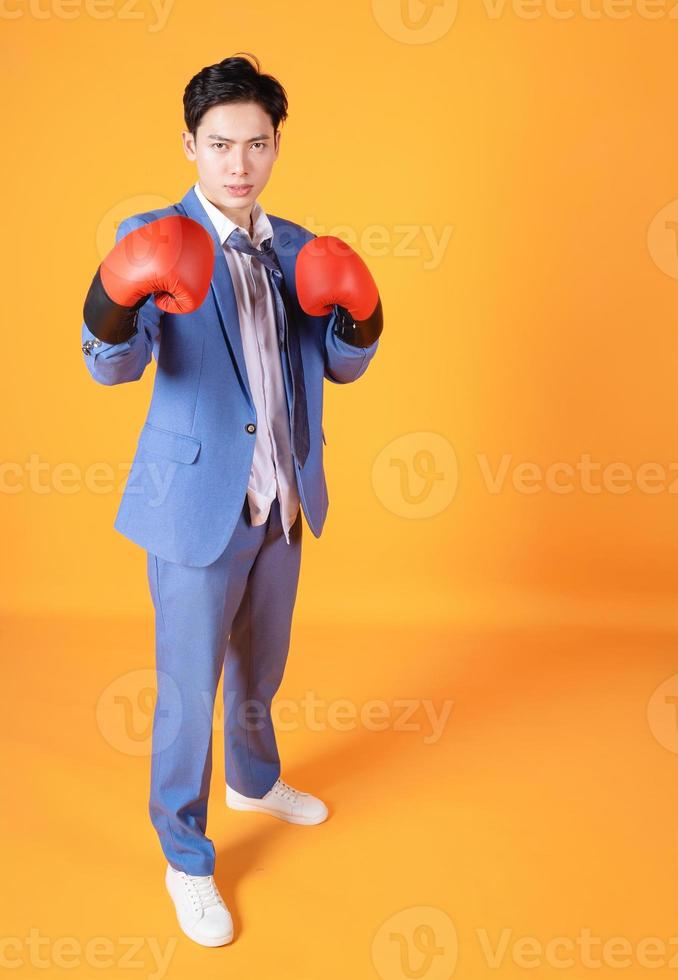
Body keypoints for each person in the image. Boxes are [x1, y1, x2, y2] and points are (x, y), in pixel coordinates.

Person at [80, 53, 383, 948]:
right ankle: (186, 857)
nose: (238, 163)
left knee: (263, 665)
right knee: (185, 690)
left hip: (283, 495)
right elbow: (114, 367)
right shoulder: (154, 232)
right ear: (191, 145)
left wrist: (364, 316)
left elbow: (338, 364)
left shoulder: (295, 244)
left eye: (255, 144)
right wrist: (110, 299)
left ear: (276, 145)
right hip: (194, 501)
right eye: (220, 145)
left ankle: (254, 778)